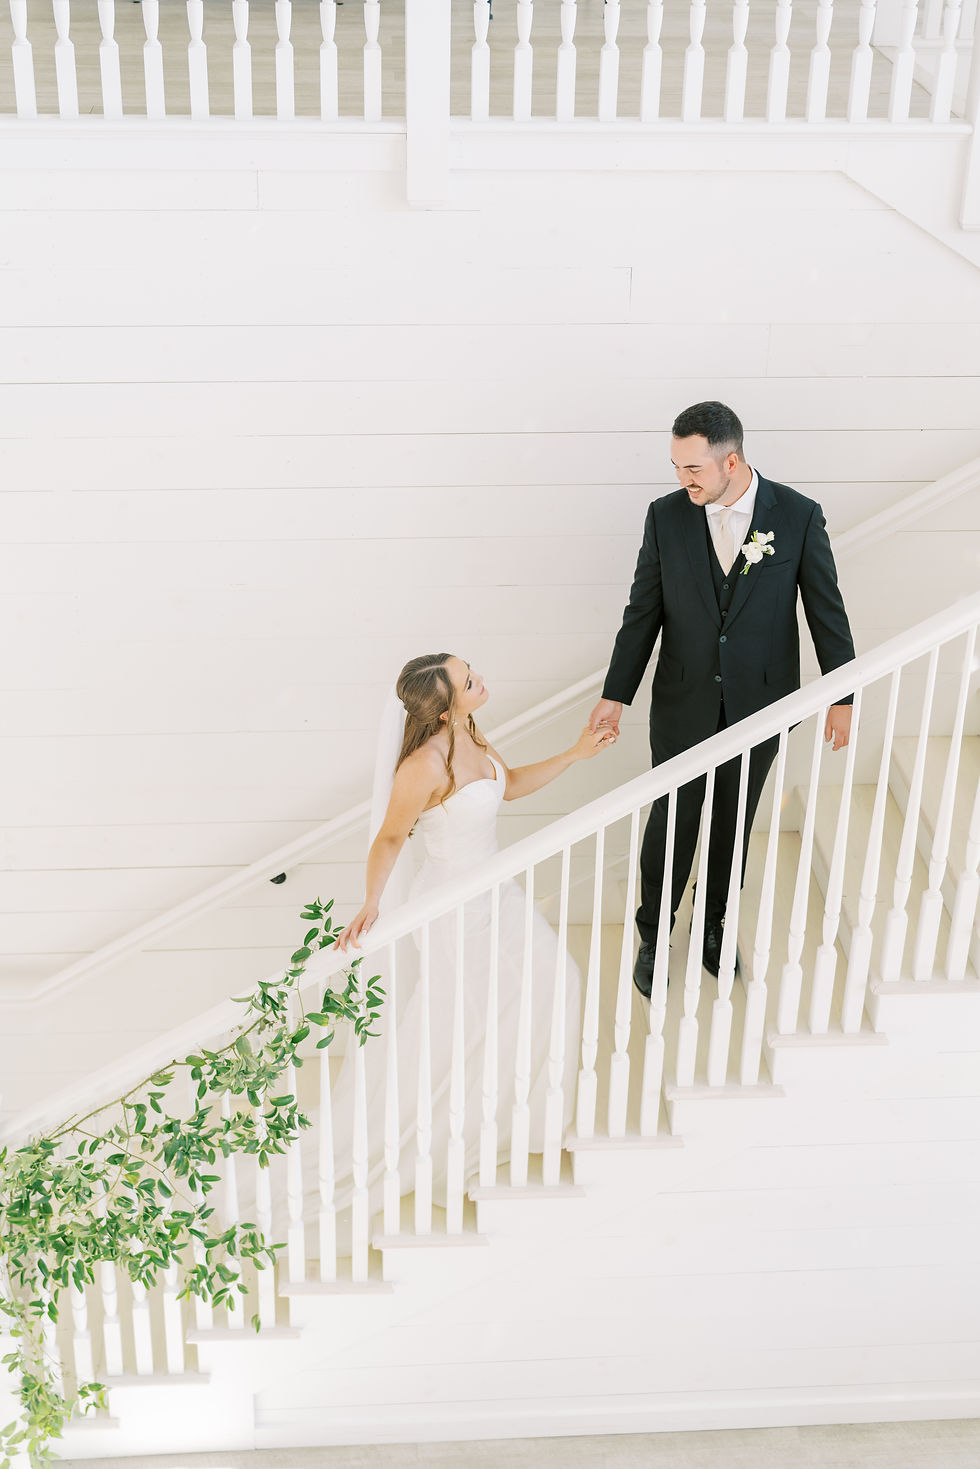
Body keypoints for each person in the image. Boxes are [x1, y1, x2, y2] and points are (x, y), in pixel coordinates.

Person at [328, 652, 615, 1213]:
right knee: (464, 1023)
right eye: (468, 680)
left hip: (496, 892)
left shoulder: (472, 734)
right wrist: (372, 902)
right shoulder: (424, 767)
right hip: (451, 908)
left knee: (557, 978)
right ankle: (452, 1131)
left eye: (470, 669)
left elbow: (507, 787)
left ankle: (521, 1119)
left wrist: (576, 754)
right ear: (442, 710)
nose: (479, 677)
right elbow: (390, 838)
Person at [588, 401, 855, 997]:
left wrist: (843, 693)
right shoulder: (666, 517)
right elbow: (643, 612)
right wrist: (616, 694)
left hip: (762, 703)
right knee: (673, 822)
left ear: (731, 460)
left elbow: (825, 610)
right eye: (678, 467)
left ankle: (716, 928)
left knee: (734, 821)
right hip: (682, 698)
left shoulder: (799, 515)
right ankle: (654, 934)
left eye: (693, 469)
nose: (684, 480)